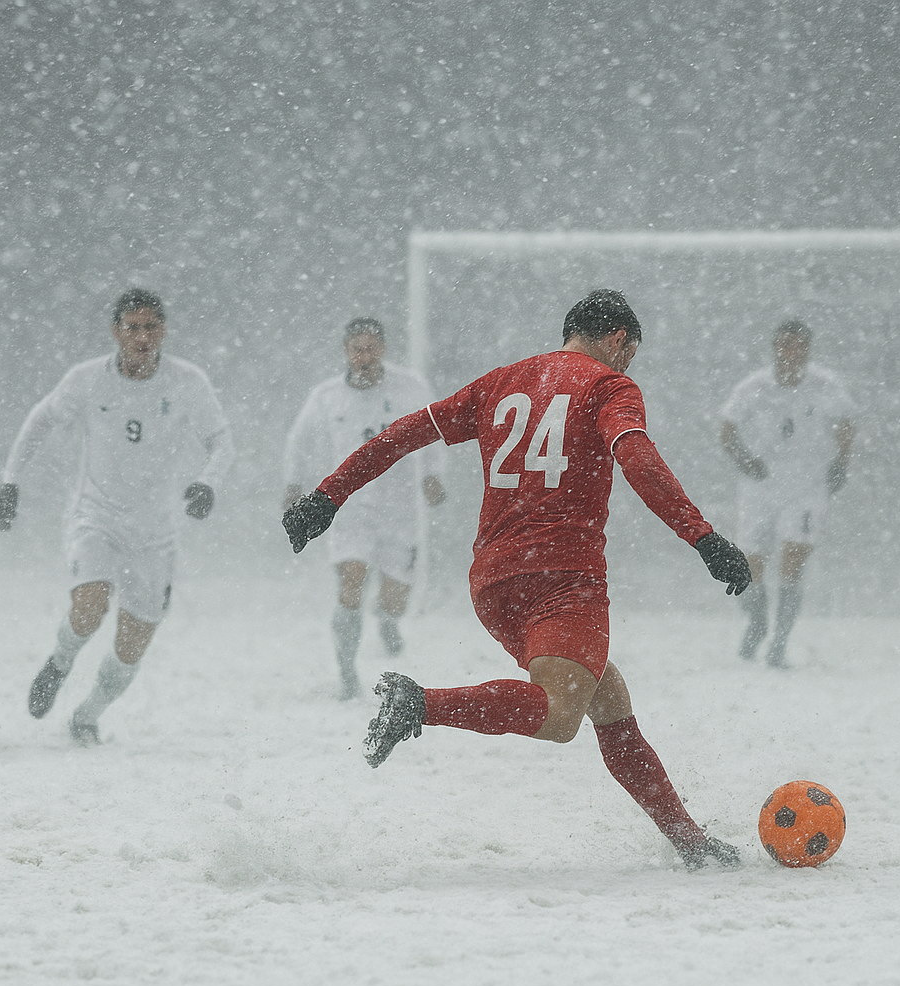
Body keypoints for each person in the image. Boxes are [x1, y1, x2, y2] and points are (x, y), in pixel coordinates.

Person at [283, 290, 752, 870]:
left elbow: (402, 434)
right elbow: (636, 457)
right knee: (560, 715)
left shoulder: (502, 382)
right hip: (564, 580)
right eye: (630, 354)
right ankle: (420, 704)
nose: (629, 366)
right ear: (618, 340)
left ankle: (690, 842)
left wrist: (327, 497)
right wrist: (703, 537)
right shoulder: (610, 387)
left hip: (494, 583)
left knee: (607, 699)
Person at [0, 288, 234, 745]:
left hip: (155, 533)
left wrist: (207, 483)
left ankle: (88, 715)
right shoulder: (87, 380)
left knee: (132, 642)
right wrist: (10, 481)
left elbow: (221, 441)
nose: (142, 337)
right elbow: (40, 420)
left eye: (151, 327)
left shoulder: (187, 382)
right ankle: (61, 660)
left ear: (164, 331)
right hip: (96, 517)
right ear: (116, 332)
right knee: (90, 606)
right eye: (133, 327)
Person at [282, 317, 446, 699]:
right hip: (350, 508)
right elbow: (298, 441)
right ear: (346, 351)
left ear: (383, 350)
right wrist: (292, 484)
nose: (364, 356)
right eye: (357, 349)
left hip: (400, 509)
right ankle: (346, 673)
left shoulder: (410, 388)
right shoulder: (326, 396)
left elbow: (436, 432)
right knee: (351, 581)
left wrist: (432, 475)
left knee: (394, 598)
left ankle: (388, 622)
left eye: (371, 348)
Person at [720, 319, 855, 668]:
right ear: (775, 348)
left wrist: (841, 462)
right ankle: (757, 621)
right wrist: (745, 459)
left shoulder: (825, 386)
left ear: (807, 350)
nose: (790, 353)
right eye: (784, 345)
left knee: (793, 558)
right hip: (761, 485)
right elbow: (728, 429)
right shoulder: (755, 387)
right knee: (751, 563)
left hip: (807, 485)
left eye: (798, 346)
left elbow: (845, 424)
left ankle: (779, 643)